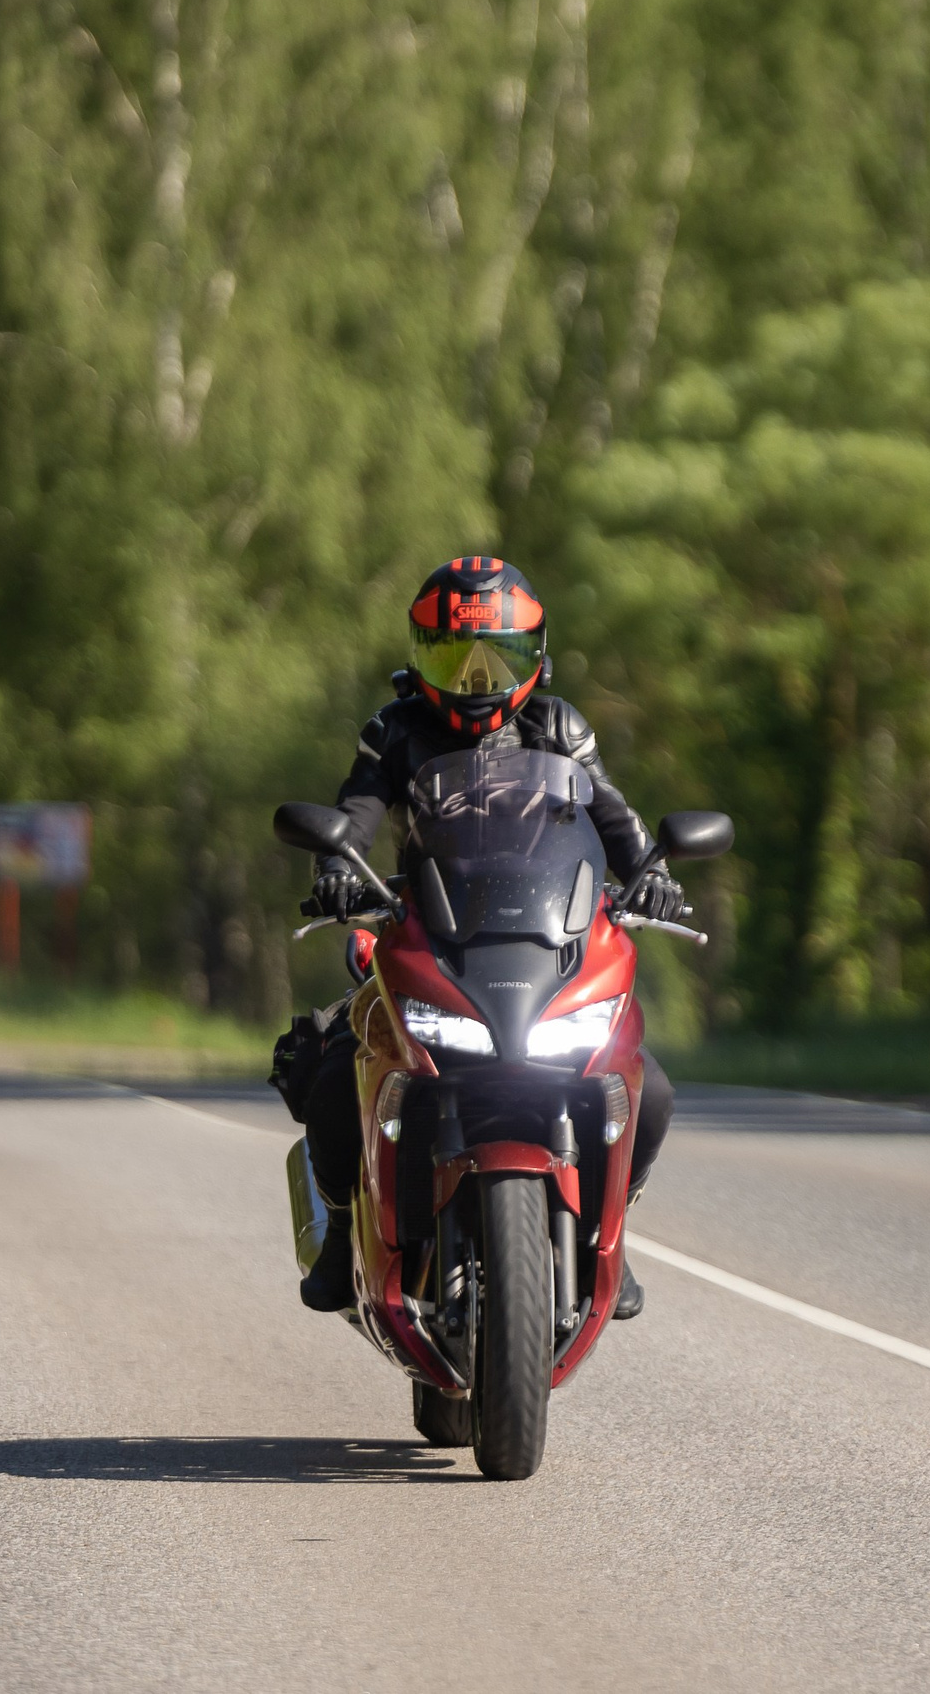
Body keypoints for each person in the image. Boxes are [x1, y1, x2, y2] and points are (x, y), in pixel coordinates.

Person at [290, 556, 689, 1319]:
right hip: (429, 931)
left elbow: (616, 819)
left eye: (497, 656)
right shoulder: (394, 731)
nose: (477, 678)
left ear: (535, 655)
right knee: (339, 1071)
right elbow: (355, 817)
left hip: (542, 936)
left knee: (651, 1087)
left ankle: (610, 1230)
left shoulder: (559, 727)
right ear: (420, 656)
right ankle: (343, 1229)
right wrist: (337, 868)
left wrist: (654, 873)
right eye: (454, 657)